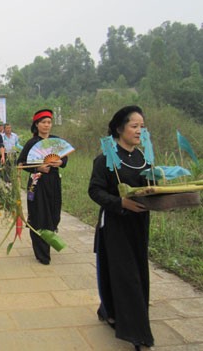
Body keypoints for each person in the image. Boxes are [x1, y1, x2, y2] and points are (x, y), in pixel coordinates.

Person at [88, 105, 154, 350]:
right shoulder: (106, 158)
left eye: (142, 127)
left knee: (137, 272)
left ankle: (109, 310)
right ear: (119, 128)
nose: (139, 131)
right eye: (134, 126)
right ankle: (137, 333)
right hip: (115, 224)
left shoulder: (143, 157)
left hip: (139, 224)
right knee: (127, 277)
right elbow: (95, 190)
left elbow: (149, 185)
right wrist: (120, 203)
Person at [17, 109, 67, 265]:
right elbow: (21, 163)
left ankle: (47, 241)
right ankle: (42, 253)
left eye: (49, 122)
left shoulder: (56, 141)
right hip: (37, 183)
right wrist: (37, 168)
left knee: (53, 214)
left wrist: (60, 162)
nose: (46, 125)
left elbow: (64, 158)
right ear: (36, 125)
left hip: (53, 182)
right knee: (39, 215)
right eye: (43, 122)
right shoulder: (32, 143)